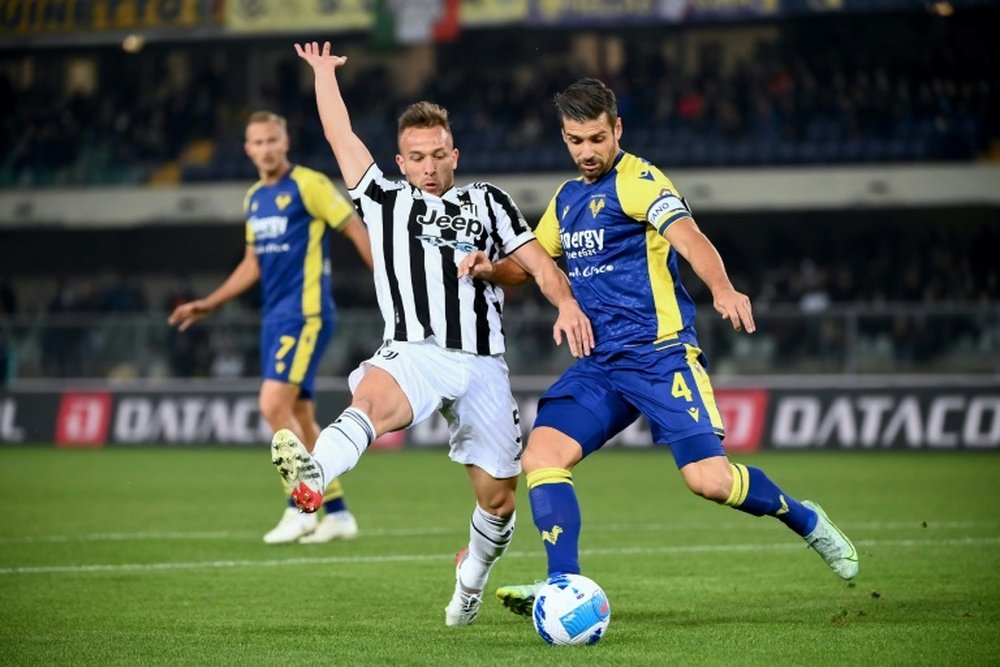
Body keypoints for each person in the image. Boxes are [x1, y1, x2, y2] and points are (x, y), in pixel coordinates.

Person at [459, 78, 859, 617]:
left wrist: (722, 287)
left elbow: (689, 237)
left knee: (709, 482)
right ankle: (563, 585)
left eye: (596, 138)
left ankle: (804, 518)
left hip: (658, 354)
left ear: (617, 129)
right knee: (542, 455)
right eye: (575, 140)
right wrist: (490, 269)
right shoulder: (567, 199)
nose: (587, 151)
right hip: (600, 364)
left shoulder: (640, 181)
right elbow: (534, 266)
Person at [275, 41, 593, 627]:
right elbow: (341, 136)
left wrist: (566, 303)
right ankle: (316, 474)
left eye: (438, 154)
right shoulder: (381, 200)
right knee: (371, 400)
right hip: (412, 350)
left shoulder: (489, 201)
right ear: (401, 162)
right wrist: (323, 75)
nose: (428, 166)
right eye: (416, 156)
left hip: (481, 362)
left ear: (455, 155)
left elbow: (536, 263)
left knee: (499, 501)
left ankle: (470, 580)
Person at [168, 110, 373, 545]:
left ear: (285, 142)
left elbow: (355, 228)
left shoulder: (310, 184)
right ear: (247, 149)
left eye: (272, 140)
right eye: (257, 142)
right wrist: (210, 303)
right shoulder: (254, 198)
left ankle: (301, 507)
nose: (266, 148)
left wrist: (391, 282)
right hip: (276, 316)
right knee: (299, 414)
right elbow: (252, 263)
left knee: (271, 405)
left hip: (306, 313)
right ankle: (337, 513)